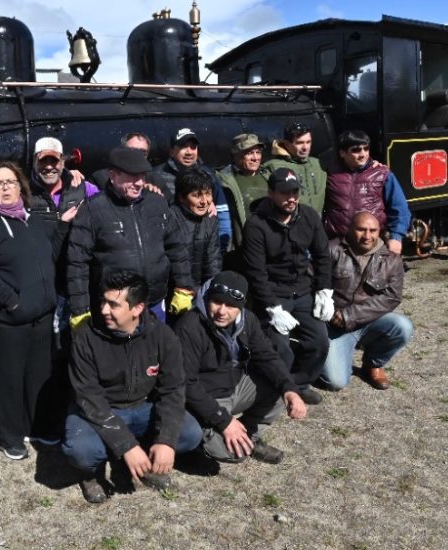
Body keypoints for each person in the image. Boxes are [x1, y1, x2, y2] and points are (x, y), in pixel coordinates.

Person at [62, 270, 203, 503]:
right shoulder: (85, 338)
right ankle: (91, 473)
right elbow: (89, 398)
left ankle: (147, 454)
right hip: (101, 411)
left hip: (143, 406)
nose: (103, 310)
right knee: (82, 451)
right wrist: (127, 446)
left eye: (113, 305)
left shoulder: (163, 336)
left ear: (137, 309)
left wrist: (166, 440)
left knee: (190, 435)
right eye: (103, 302)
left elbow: (173, 390)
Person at [0, 161, 72, 460]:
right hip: (6, 320)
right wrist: (11, 301)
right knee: (9, 379)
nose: (5, 188)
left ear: (20, 186)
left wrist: (62, 225)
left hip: (40, 315)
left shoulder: (31, 220)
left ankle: (37, 426)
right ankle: (9, 436)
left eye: (10, 182)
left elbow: (48, 255)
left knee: (39, 375)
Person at [174, 271, 307, 464]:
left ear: (241, 307)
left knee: (279, 386)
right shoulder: (189, 326)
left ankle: (249, 435)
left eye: (230, 305)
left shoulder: (248, 320)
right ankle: (203, 441)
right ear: (207, 298)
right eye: (216, 302)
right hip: (205, 398)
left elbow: (267, 356)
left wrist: (290, 389)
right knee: (235, 454)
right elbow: (187, 384)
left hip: (234, 386)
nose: (222, 311)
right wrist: (224, 421)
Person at [67, 147, 194, 328]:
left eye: (142, 176)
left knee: (155, 353)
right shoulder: (92, 210)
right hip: (116, 308)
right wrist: (80, 309)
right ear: (113, 176)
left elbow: (177, 248)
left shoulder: (157, 203)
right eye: (132, 177)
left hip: (154, 303)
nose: (139, 183)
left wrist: (184, 287)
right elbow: (77, 263)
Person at [241, 168, 334, 405]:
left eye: (294, 192)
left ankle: (299, 384)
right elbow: (256, 272)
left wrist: (324, 290)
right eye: (284, 193)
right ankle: (277, 387)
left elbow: (322, 255)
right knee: (279, 347)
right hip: (274, 293)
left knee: (319, 341)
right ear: (271, 193)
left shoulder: (309, 216)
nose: (291, 198)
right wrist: (272, 307)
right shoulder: (256, 225)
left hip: (302, 290)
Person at [319, 212, 414, 391]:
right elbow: (310, 284)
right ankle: (315, 357)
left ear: (380, 231)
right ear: (350, 229)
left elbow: (392, 297)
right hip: (334, 327)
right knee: (336, 382)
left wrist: (350, 315)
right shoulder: (331, 250)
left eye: (373, 230)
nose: (367, 236)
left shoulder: (392, 260)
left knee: (403, 326)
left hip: (368, 322)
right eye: (361, 230)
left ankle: (372, 364)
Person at [320, 130, 412, 255]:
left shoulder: (382, 174)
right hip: (339, 243)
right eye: (356, 150)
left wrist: (396, 237)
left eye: (366, 149)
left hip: (371, 243)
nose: (363, 154)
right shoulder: (330, 174)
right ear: (342, 153)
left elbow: (399, 207)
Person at [150, 128, 232, 248]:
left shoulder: (209, 175)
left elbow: (222, 212)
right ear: (172, 151)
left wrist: (222, 246)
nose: (189, 152)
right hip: (173, 247)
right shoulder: (156, 176)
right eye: (183, 147)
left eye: (193, 147)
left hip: (204, 247)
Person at [170, 170, 222, 288]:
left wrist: (211, 290)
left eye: (208, 193)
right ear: (181, 197)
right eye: (196, 195)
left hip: (200, 288)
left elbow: (213, 261)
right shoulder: (170, 218)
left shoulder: (210, 219)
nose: (204, 201)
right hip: (176, 289)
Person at [217, 132, 268, 250]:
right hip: (244, 246)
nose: (255, 158)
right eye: (249, 153)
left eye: (258, 152)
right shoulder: (224, 181)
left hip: (270, 243)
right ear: (236, 155)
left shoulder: (269, 175)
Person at [261, 122, 326, 212]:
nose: (305, 147)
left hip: (317, 223)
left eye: (308, 142)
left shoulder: (318, 164)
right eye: (299, 143)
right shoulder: (273, 167)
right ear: (287, 144)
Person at [29, 136, 99, 221]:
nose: (49, 167)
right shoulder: (24, 195)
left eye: (54, 160)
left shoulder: (84, 189)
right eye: (43, 160)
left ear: (62, 162)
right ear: (34, 161)